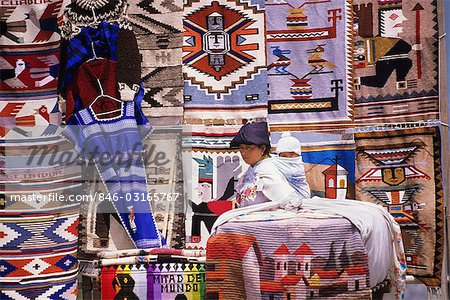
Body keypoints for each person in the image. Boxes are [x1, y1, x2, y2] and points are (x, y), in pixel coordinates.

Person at [230, 121, 308, 209]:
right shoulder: (253, 168)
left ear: (262, 148)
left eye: (248, 148)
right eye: (241, 148)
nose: (244, 152)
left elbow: (289, 200)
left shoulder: (265, 169)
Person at [273, 132, 311, 199]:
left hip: (303, 196)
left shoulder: (298, 166)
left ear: (298, 155)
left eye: (291, 155)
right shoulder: (276, 164)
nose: (288, 158)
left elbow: (290, 172)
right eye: (284, 156)